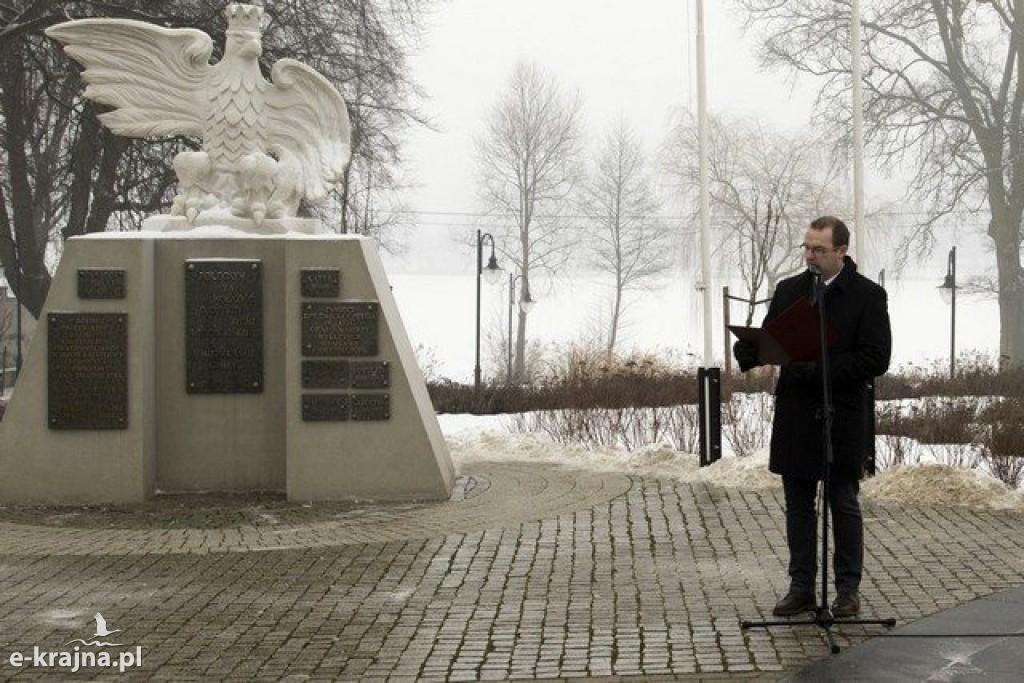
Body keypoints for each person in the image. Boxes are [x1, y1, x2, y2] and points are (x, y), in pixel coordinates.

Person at [733, 215, 891, 619]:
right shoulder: (790, 290)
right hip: (796, 412)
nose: (810, 256)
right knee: (798, 504)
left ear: (841, 251)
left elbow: (877, 358)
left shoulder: (868, 296)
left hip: (842, 414)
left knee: (843, 502)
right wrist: (750, 351)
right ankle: (801, 587)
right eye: (806, 248)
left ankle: (847, 591)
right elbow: (773, 339)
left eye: (819, 249)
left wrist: (820, 369)